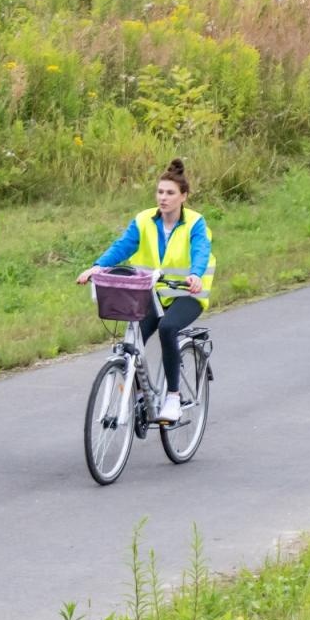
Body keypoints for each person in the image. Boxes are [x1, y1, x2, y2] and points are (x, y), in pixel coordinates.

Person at [75, 158, 214, 424]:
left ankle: (173, 397)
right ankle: (140, 396)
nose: (163, 198)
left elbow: (201, 250)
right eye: (160, 192)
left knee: (168, 328)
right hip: (152, 293)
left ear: (183, 196)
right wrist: (97, 267)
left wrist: (196, 274)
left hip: (188, 293)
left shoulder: (195, 223)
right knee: (132, 340)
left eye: (170, 193)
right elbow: (122, 246)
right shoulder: (144, 220)